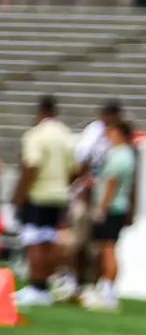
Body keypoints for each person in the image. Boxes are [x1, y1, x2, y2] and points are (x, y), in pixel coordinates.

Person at [13, 96, 77, 308]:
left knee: (35, 241)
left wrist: (20, 193)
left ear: (40, 113)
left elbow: (32, 166)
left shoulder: (36, 135)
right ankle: (45, 287)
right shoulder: (66, 135)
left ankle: (36, 285)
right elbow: (75, 169)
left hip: (39, 194)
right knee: (49, 241)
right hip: (59, 194)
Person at [60, 101, 124, 302]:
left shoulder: (119, 141)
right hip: (87, 195)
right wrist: (79, 186)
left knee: (97, 246)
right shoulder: (94, 132)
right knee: (79, 241)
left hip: (101, 199)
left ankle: (95, 285)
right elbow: (83, 161)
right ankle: (76, 280)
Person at [81, 119, 137, 313]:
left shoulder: (120, 155)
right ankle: (107, 287)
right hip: (118, 207)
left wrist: (101, 207)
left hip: (112, 207)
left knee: (108, 248)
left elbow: (112, 183)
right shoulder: (127, 154)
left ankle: (108, 288)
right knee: (109, 247)